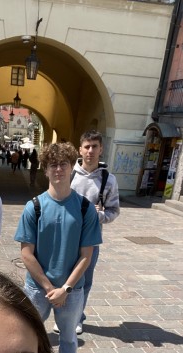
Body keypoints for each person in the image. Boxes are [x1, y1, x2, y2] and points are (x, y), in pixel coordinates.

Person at [14, 142, 101, 353]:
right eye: (53, 165)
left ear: (72, 167)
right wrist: (49, 287)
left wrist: (66, 288)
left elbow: (86, 256)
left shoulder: (84, 208)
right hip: (38, 288)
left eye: (64, 164)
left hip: (72, 289)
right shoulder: (34, 207)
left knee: (68, 337)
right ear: (45, 170)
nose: (59, 169)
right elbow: (26, 253)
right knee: (29, 335)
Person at [70, 131, 120, 334]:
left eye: (94, 147)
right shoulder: (70, 174)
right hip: (67, 238)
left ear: (101, 149)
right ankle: (64, 316)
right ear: (80, 150)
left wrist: (98, 216)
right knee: (64, 278)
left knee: (84, 281)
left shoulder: (108, 180)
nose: (90, 151)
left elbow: (113, 211)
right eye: (87, 146)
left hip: (90, 241)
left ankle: (76, 318)